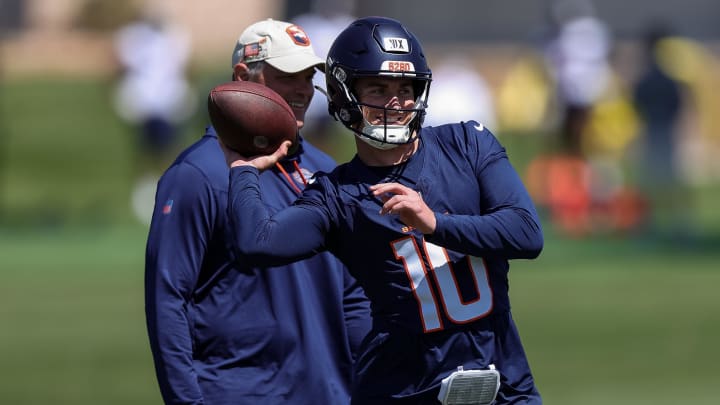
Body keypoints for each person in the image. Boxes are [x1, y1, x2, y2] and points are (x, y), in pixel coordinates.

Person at [222, 16, 544, 404]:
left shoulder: (467, 144)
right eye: (378, 87)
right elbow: (258, 242)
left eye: (405, 88)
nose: (396, 101)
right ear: (344, 93)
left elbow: (527, 233)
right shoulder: (338, 194)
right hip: (405, 391)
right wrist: (244, 172)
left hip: (504, 388)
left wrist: (434, 223)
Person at [145, 18, 372, 405]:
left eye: (308, 77)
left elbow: (353, 296)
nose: (303, 90)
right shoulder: (197, 175)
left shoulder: (328, 171)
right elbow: (168, 301)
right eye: (288, 76)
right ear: (242, 76)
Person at [113, 10, 196, 224]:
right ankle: (145, 195)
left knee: (169, 152)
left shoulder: (176, 36)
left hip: (169, 102)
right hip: (142, 102)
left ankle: (170, 193)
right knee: (145, 153)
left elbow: (183, 68)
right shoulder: (133, 36)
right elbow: (119, 66)